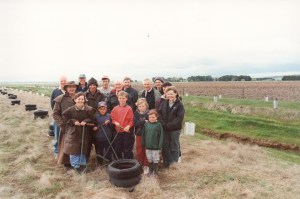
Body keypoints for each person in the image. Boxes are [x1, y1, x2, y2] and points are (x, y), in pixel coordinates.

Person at [62, 92, 95, 174]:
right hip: (73, 132)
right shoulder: (70, 110)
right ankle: (75, 166)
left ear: (84, 100)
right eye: (79, 99)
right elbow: (65, 117)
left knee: (83, 148)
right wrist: (73, 121)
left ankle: (82, 165)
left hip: (84, 131)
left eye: (82, 99)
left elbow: (93, 119)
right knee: (73, 149)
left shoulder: (89, 109)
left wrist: (85, 121)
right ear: (75, 100)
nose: (80, 100)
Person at [53, 81, 78, 170]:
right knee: (65, 144)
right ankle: (66, 163)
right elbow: (55, 114)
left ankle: (77, 163)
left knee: (75, 145)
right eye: (70, 87)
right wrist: (62, 124)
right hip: (66, 127)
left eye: (73, 87)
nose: (72, 88)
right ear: (66, 88)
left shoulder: (79, 97)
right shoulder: (60, 99)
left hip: (77, 126)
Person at [158, 86, 185, 168]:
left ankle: (174, 164)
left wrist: (168, 125)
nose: (170, 96)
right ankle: (166, 163)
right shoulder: (164, 103)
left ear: (176, 93)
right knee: (165, 145)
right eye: (168, 94)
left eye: (171, 94)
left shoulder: (179, 105)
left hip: (175, 129)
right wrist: (163, 124)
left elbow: (179, 118)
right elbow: (159, 114)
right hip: (164, 128)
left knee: (174, 146)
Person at [83, 77, 107, 162]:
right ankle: (86, 160)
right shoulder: (84, 95)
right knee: (87, 142)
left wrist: (98, 116)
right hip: (88, 121)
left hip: (98, 121)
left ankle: (100, 160)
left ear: (96, 86)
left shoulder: (101, 95)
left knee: (98, 143)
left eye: (94, 85)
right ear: (88, 86)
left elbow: (103, 107)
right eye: (91, 85)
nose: (92, 86)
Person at [110, 91, 134, 159]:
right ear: (118, 98)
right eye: (120, 98)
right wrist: (115, 122)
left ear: (126, 99)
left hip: (126, 132)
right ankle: (118, 162)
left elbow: (131, 121)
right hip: (117, 132)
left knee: (127, 149)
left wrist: (128, 126)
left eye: (123, 98)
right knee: (117, 148)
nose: (122, 100)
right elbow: (113, 118)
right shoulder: (115, 109)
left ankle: (128, 163)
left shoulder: (129, 109)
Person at [142, 109, 164, 176]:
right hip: (148, 146)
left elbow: (161, 136)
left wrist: (160, 145)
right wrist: (143, 142)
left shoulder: (158, 125)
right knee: (149, 158)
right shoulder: (146, 125)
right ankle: (151, 170)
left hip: (156, 146)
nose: (151, 119)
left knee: (155, 159)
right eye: (150, 117)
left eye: (153, 117)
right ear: (148, 117)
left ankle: (155, 171)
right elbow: (143, 134)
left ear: (156, 117)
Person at [50, 75, 67, 159]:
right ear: (59, 82)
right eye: (62, 81)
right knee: (57, 136)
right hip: (58, 119)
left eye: (65, 81)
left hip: (67, 120)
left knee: (65, 137)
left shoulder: (68, 92)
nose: (63, 82)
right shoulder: (55, 91)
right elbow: (52, 105)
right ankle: (56, 152)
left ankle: (64, 152)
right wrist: (57, 116)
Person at [93, 101, 114, 165]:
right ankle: (100, 164)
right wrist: (94, 127)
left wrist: (109, 123)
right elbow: (93, 125)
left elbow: (113, 126)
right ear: (98, 109)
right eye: (101, 109)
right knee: (99, 152)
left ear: (106, 109)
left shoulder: (109, 116)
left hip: (108, 137)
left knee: (108, 152)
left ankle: (109, 164)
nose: (102, 110)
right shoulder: (96, 116)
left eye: (104, 109)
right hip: (99, 138)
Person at [134, 98, 149, 174]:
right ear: (138, 107)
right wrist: (143, 122)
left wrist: (141, 122)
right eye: (140, 106)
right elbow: (135, 123)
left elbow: (150, 122)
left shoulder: (149, 113)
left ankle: (146, 165)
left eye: (143, 106)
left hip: (147, 134)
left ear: (146, 106)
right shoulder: (136, 113)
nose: (141, 108)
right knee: (139, 149)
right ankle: (140, 163)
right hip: (139, 134)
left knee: (146, 149)